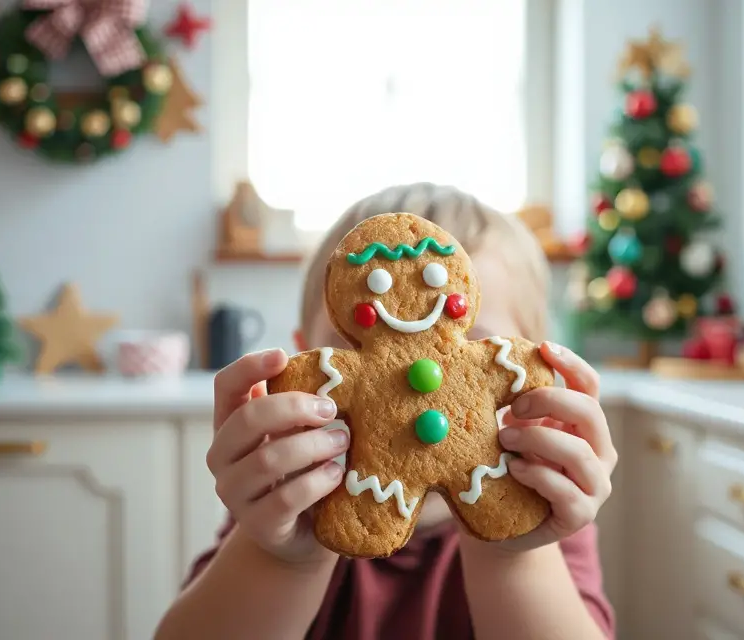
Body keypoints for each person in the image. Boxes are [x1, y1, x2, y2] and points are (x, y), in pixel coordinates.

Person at [155, 183, 619, 640]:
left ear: (527, 360)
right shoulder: (277, 507)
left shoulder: (547, 517)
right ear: (304, 360)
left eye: (475, 337)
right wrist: (281, 559)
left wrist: (511, 555)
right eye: (346, 343)